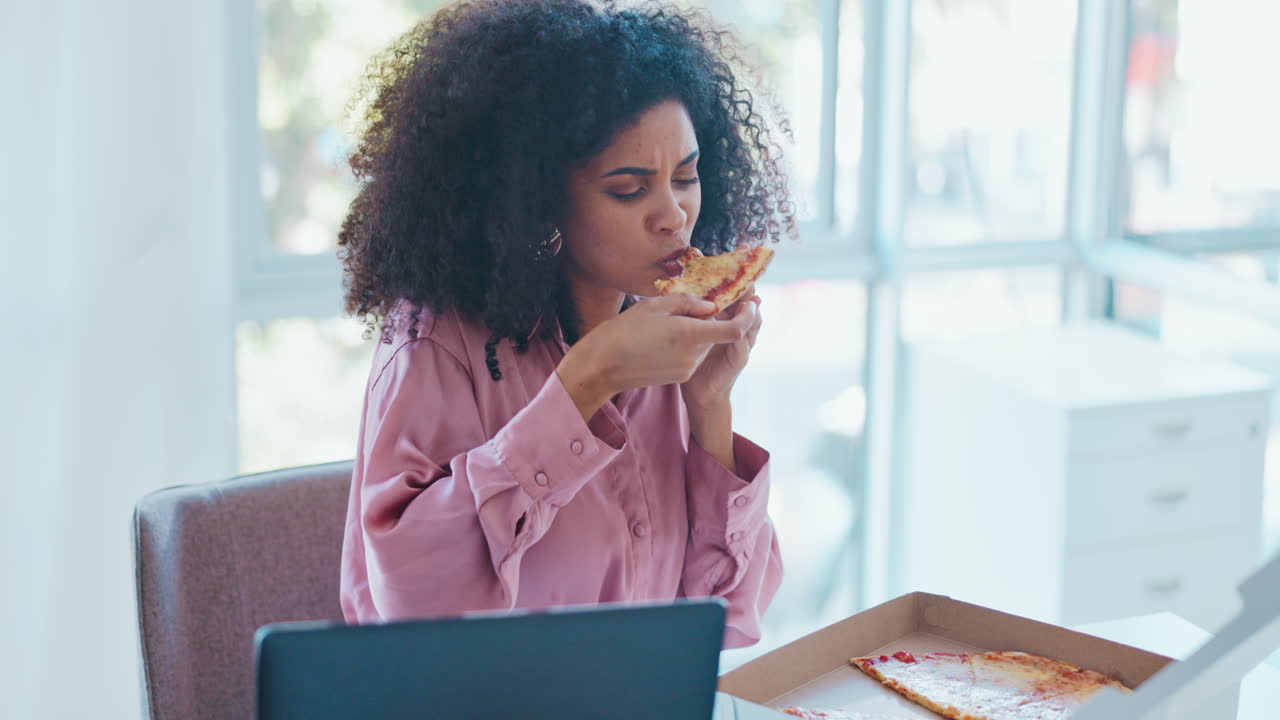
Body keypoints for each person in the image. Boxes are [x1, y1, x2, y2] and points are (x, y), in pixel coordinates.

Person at [337, 0, 794, 648]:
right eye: (629, 190)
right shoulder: (435, 344)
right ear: (535, 198)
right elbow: (414, 610)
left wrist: (710, 409)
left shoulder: (662, 337)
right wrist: (585, 382)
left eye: (687, 177)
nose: (674, 215)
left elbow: (727, 621)